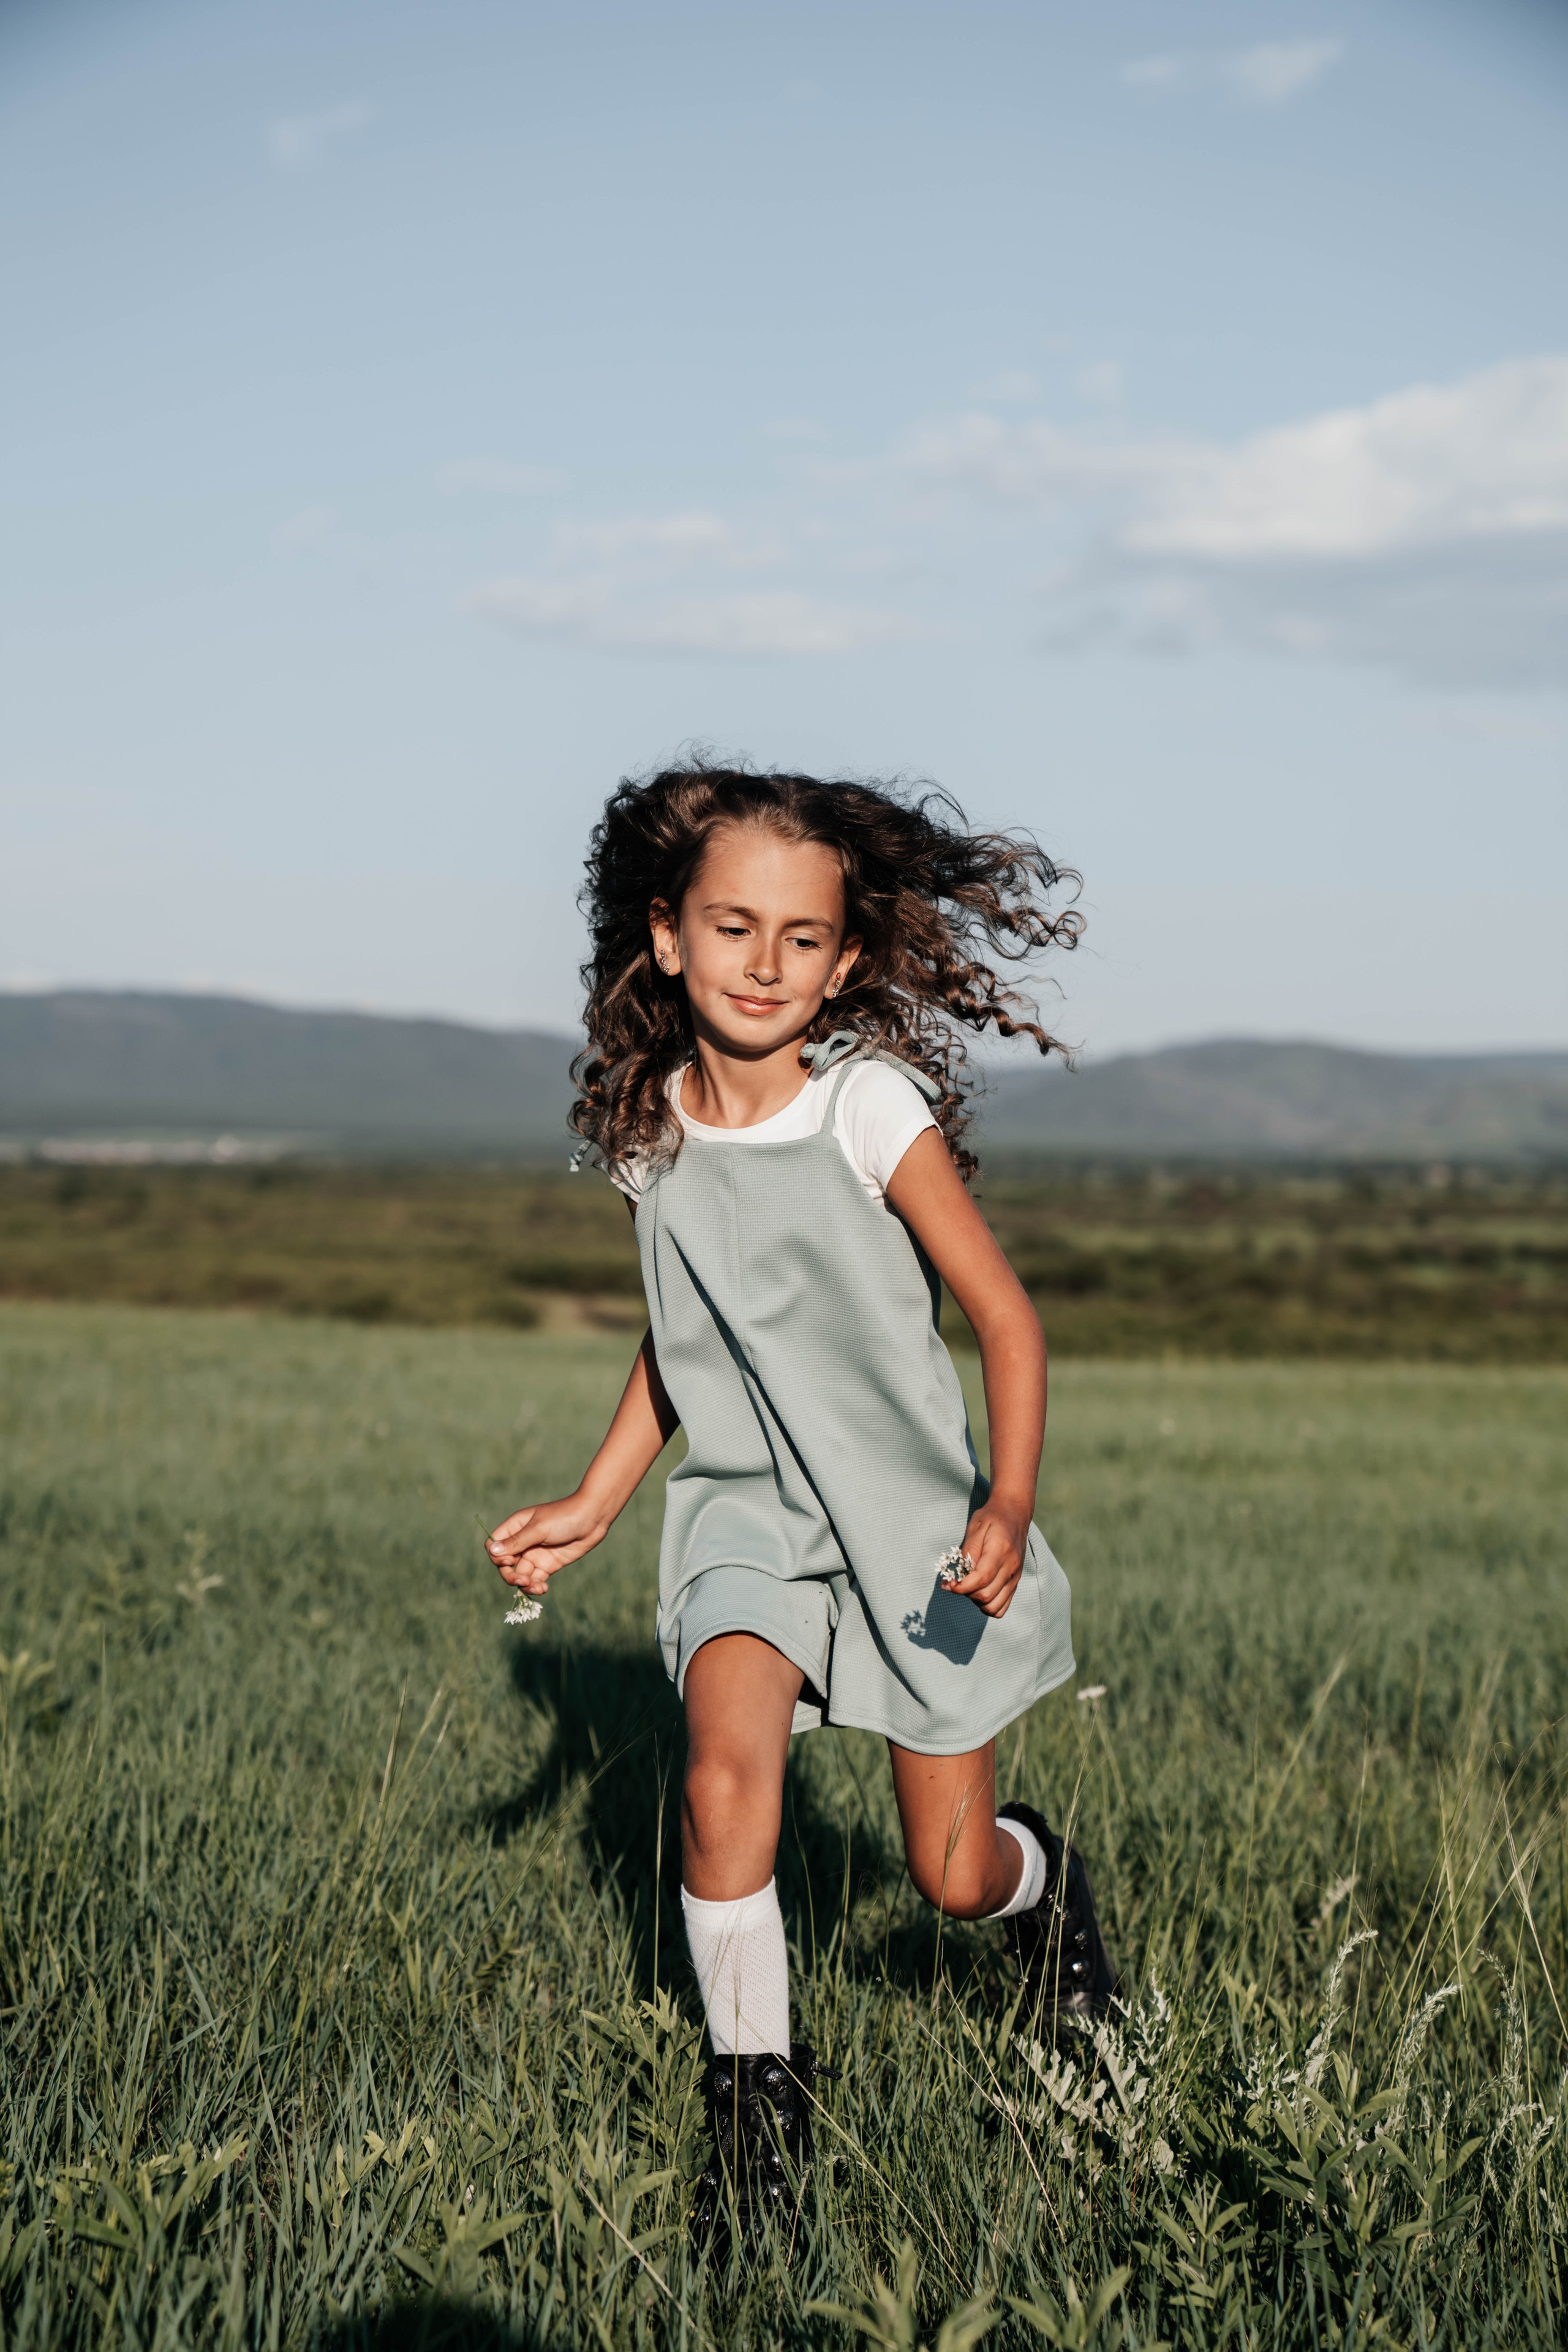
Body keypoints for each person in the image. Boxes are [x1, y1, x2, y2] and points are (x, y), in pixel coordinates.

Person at [487, 763, 1117, 2240]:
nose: (762, 965)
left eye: (798, 938)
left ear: (842, 959)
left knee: (950, 1877)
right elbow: (688, 1330)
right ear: (664, 935)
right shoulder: (647, 1126)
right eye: (729, 927)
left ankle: (1050, 1892)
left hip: (910, 1530)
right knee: (720, 1785)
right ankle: (757, 2116)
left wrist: (1007, 1503)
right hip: (744, 1519)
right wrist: (594, 1497)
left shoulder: (865, 1110)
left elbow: (1006, 1320)